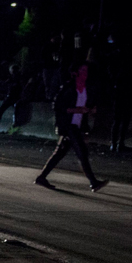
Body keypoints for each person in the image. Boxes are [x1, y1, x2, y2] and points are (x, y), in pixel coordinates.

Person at [34, 62, 108, 191]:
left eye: (86, 71)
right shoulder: (68, 87)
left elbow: (85, 107)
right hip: (68, 125)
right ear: (75, 73)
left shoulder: (86, 89)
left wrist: (90, 110)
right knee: (82, 152)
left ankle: (42, 177)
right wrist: (76, 110)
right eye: (83, 71)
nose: (85, 74)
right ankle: (93, 182)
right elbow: (58, 106)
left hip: (76, 125)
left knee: (59, 153)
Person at [0, 65, 22, 133]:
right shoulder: (13, 78)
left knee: (11, 110)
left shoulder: (17, 78)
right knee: (1, 110)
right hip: (11, 97)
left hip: (13, 97)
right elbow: (4, 86)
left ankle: (13, 125)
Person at [110, 66, 132, 152]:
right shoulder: (129, 77)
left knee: (117, 122)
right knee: (123, 122)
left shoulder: (119, 76)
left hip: (120, 101)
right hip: (125, 101)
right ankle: (118, 143)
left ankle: (114, 143)